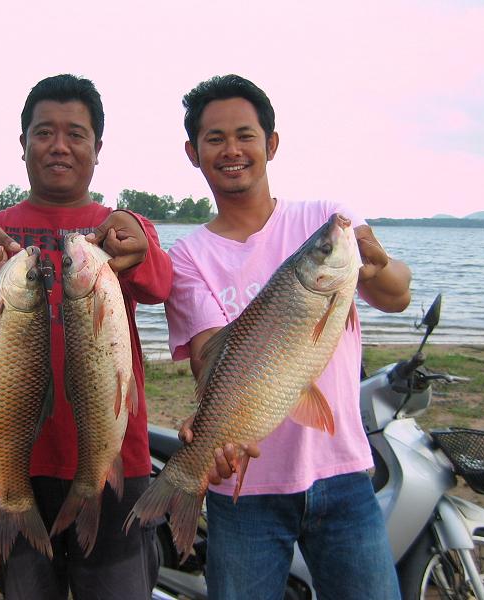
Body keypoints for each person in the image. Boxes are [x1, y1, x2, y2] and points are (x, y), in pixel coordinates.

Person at [165, 74, 412, 600]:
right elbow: (211, 353)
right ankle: (179, 487)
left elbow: (397, 294)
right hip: (244, 492)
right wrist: (211, 428)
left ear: (271, 144)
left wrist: (377, 264)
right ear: (193, 152)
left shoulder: (326, 221)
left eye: (245, 134)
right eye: (215, 138)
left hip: (344, 473)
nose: (232, 150)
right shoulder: (186, 257)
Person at [0, 74, 171, 599]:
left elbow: (161, 285)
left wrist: (140, 249)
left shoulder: (125, 226)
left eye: (75, 134)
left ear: (97, 149)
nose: (59, 145)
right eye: (44, 132)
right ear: (22, 144)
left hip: (113, 456)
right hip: (13, 456)